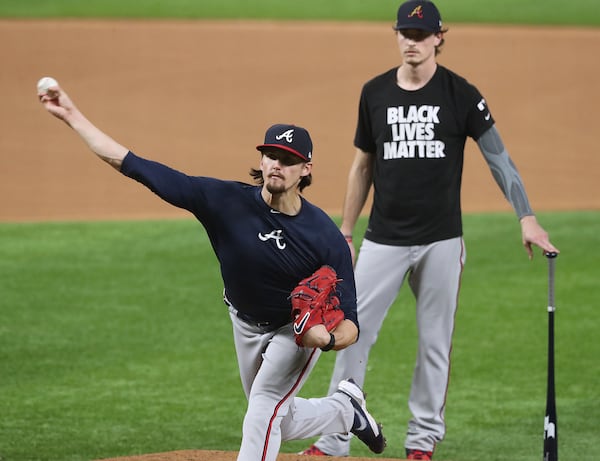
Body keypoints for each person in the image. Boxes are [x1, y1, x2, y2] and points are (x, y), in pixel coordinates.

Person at [38, 83, 387, 461]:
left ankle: (339, 410)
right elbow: (134, 165)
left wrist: (327, 341)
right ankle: (344, 410)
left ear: (306, 169)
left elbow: (351, 322)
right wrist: (72, 116)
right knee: (274, 418)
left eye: (287, 159)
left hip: (293, 332)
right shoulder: (224, 201)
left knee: (264, 408)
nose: (276, 164)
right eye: (270, 155)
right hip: (244, 323)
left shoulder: (324, 237)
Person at [300, 1, 560, 460]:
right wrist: (345, 231)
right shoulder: (374, 92)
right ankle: (335, 437)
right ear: (396, 34)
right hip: (382, 239)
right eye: (405, 33)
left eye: (420, 34)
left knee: (435, 345)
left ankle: (421, 443)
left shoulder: (460, 94)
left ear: (440, 36)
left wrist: (526, 215)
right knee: (348, 332)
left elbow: (498, 157)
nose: (411, 42)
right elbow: (362, 166)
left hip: (442, 241)